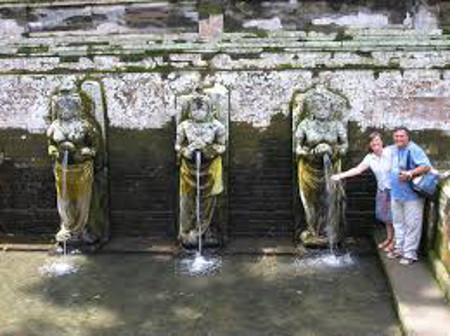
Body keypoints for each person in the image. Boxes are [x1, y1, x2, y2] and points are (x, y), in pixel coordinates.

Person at [331, 132, 394, 251]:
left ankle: (395, 242)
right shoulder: (370, 157)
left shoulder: (391, 152)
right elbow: (358, 170)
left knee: (395, 217)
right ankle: (389, 238)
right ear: (370, 145)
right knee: (386, 217)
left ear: (382, 142)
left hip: (394, 190)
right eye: (373, 143)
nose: (376, 145)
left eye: (378, 142)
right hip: (382, 190)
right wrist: (340, 175)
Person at [387, 127, 431, 265]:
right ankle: (399, 249)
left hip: (412, 195)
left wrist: (410, 173)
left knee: (412, 225)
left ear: (408, 137)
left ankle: (410, 254)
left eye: (401, 136)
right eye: (396, 136)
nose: (398, 139)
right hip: (396, 193)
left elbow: (426, 166)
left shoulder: (414, 149)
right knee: (398, 223)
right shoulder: (394, 149)